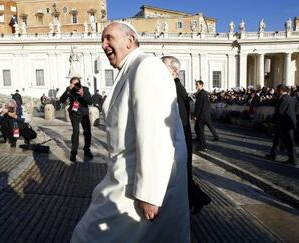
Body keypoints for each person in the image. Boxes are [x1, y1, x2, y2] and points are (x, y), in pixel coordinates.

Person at [71, 22, 189, 242]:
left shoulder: (147, 67)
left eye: (109, 38)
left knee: (87, 236)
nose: (103, 45)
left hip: (136, 187)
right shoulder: (130, 69)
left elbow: (156, 132)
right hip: (123, 178)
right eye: (102, 40)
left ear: (130, 40)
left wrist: (150, 194)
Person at [162, 56, 211, 214]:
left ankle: (199, 199)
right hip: (180, 137)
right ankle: (196, 199)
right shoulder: (172, 86)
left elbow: (182, 119)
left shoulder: (176, 89)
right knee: (182, 175)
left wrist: (177, 141)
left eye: (163, 67)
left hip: (181, 138)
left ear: (174, 71)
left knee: (182, 175)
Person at [59, 77, 93, 162]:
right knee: (76, 131)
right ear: (70, 84)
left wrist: (82, 94)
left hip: (84, 113)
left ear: (80, 83)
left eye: (77, 84)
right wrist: (68, 91)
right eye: (73, 84)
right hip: (74, 114)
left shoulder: (85, 89)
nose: (75, 86)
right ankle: (73, 153)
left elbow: (90, 101)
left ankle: (87, 150)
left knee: (87, 132)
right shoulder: (69, 90)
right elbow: (61, 100)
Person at [265, 84, 298, 164]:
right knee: (276, 139)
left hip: (284, 124)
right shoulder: (293, 99)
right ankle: (272, 155)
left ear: (281, 90)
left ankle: (293, 160)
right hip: (289, 123)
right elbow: (296, 110)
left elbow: (280, 112)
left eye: (277, 90)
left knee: (289, 142)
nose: (276, 91)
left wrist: (272, 120)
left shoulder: (282, 99)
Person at [194, 80, 219, 151]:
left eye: (197, 84)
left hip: (202, 115)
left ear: (201, 85)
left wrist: (196, 115)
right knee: (199, 128)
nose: (196, 86)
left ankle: (203, 146)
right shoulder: (204, 93)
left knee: (200, 130)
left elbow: (198, 106)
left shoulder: (201, 93)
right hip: (206, 114)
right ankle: (202, 140)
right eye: (196, 84)